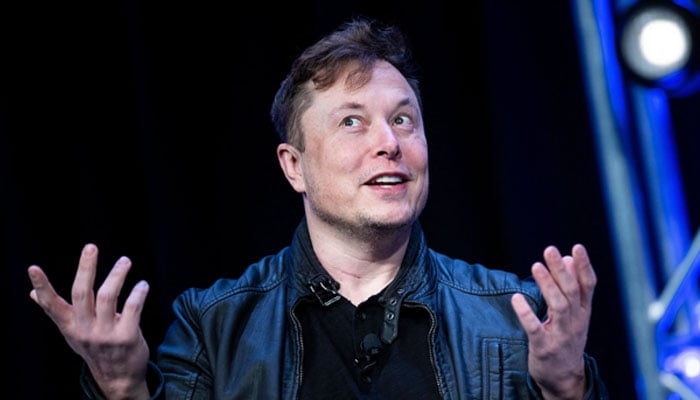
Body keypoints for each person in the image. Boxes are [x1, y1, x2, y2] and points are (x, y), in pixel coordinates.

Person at [27, 17, 608, 399]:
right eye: (352, 121)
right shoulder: (213, 324)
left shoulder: (515, 317)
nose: (389, 141)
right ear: (293, 166)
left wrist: (566, 389)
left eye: (403, 119)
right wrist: (122, 386)